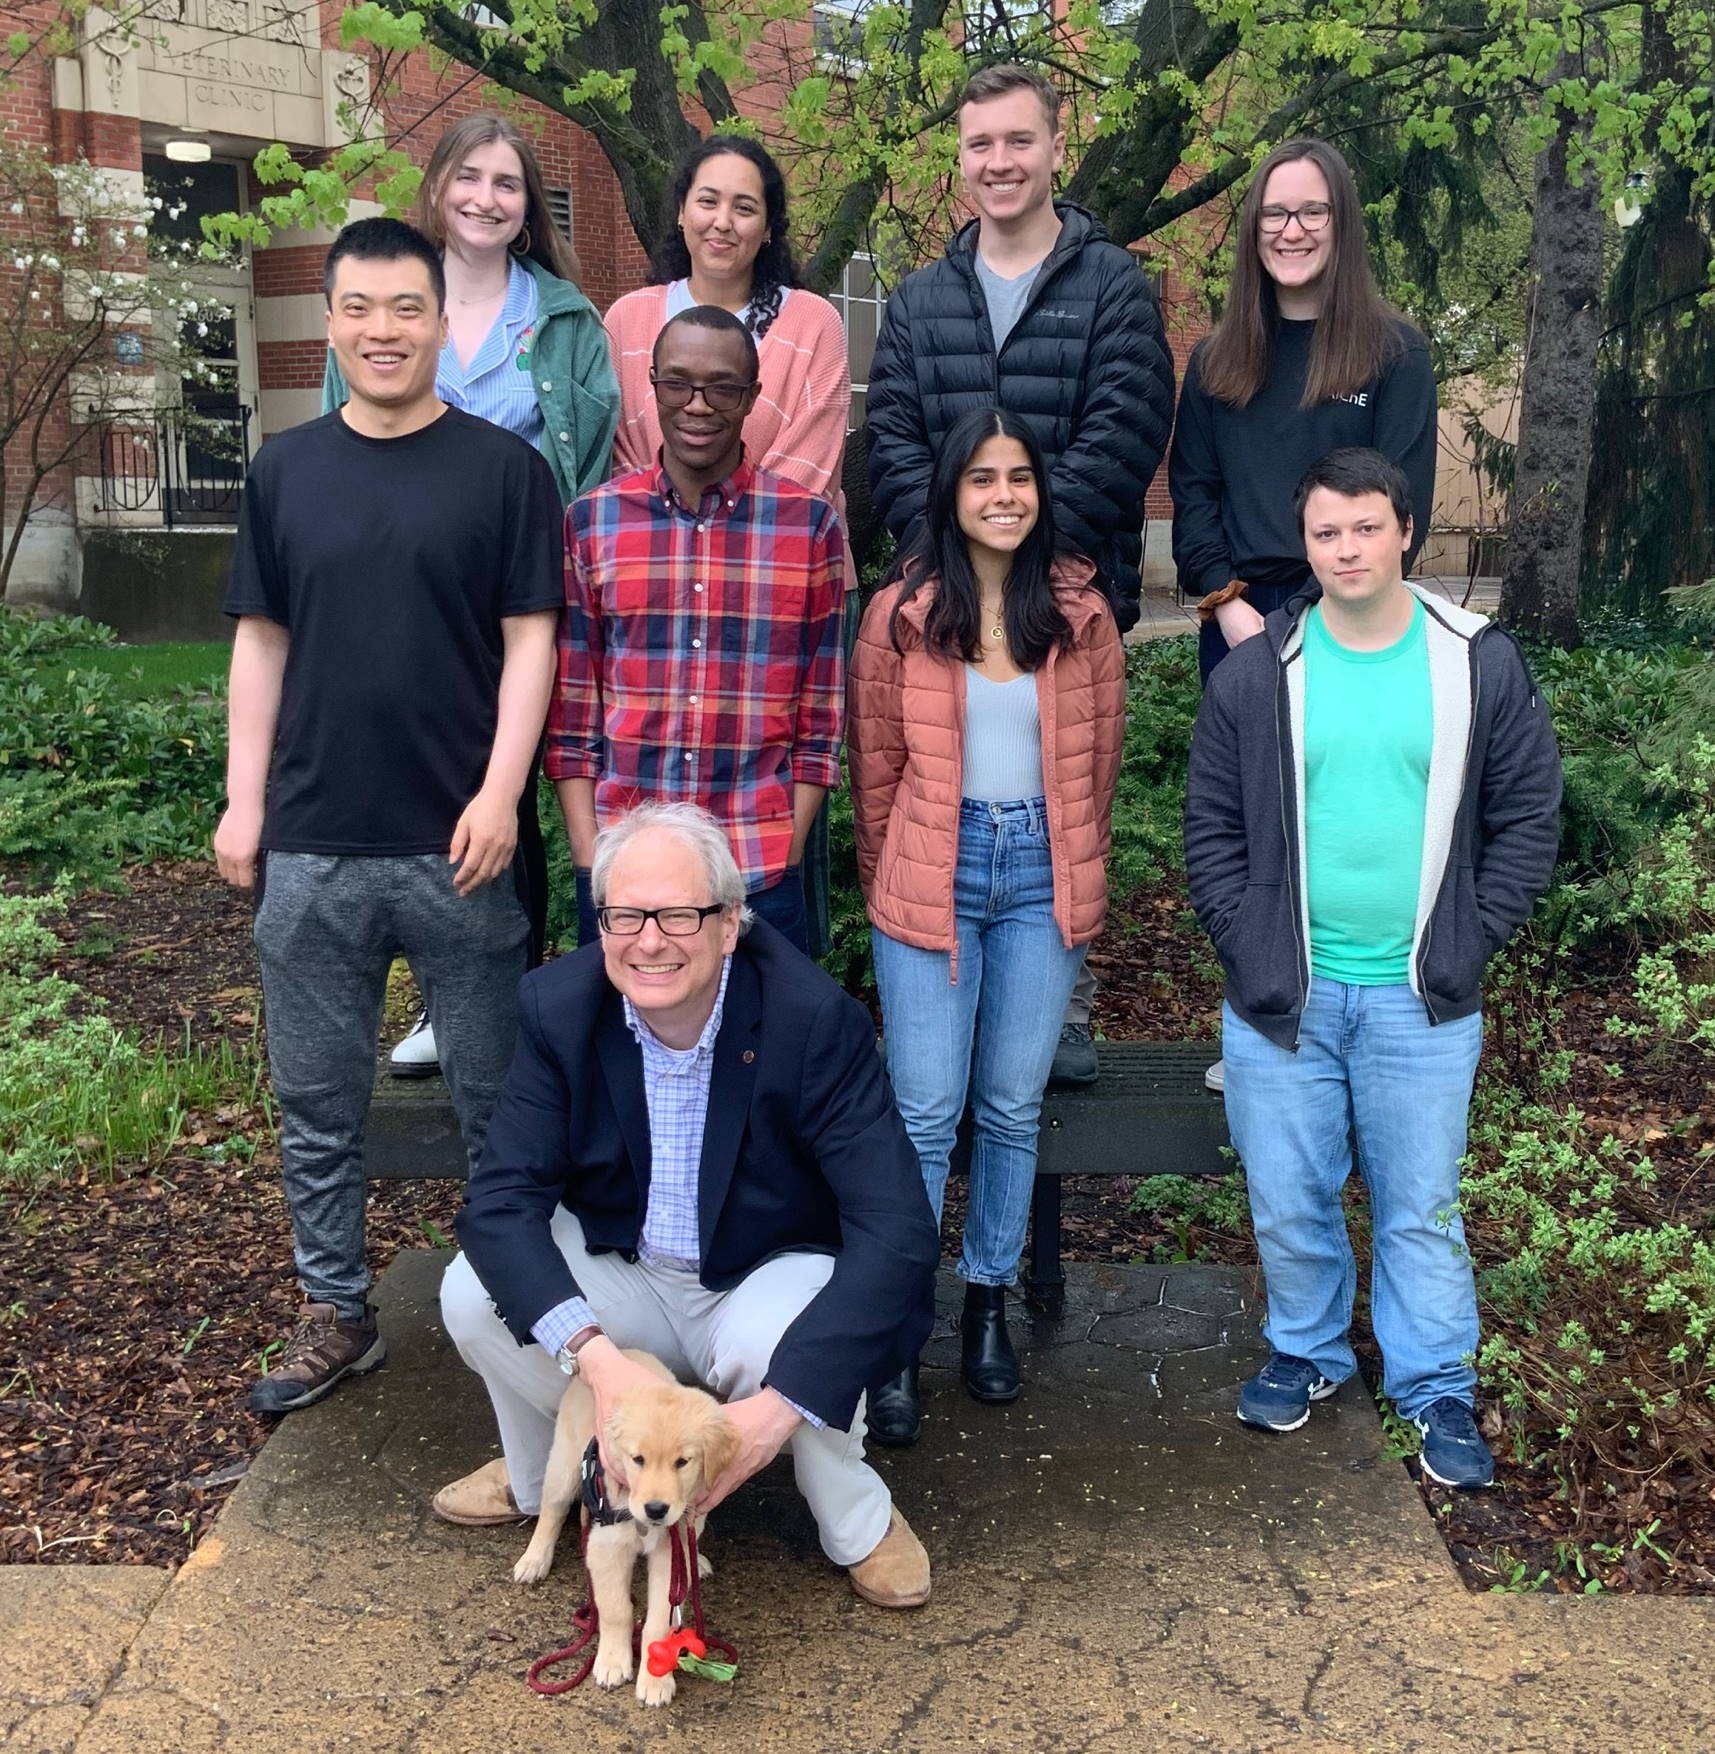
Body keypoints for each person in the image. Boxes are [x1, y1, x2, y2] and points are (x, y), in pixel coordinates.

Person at [214, 217, 563, 1415]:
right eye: (358, 308)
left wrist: (502, 790)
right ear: (330, 322)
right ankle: (336, 1310)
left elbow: (532, 642)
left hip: (461, 846)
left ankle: (513, 1301)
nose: (382, 330)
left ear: (440, 322)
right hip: (311, 845)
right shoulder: (284, 472)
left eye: (406, 308)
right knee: (316, 1100)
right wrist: (244, 801)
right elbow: (260, 643)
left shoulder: (504, 473)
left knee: (495, 1099)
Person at [436, 802, 940, 1609]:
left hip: (755, 1273)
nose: (649, 941)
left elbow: (897, 1230)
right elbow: (499, 1201)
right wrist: (597, 1363)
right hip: (628, 1271)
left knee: (795, 1343)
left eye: (678, 915)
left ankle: (857, 1521)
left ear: (729, 923)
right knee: (471, 1293)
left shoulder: (813, 1020)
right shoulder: (558, 1006)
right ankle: (550, 1476)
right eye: (625, 915)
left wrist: (774, 1413)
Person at [1183, 446, 1561, 1489]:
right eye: (1324, 532)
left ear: (1404, 530)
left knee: (1419, 1205)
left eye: (1364, 527)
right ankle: (1305, 1350)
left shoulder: (1476, 661)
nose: (1345, 548)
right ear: (1303, 545)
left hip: (1418, 1000)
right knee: (1285, 1197)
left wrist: (1468, 938)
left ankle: (1434, 1385)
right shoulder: (1258, 672)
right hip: (1283, 999)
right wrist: (1247, 943)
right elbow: (1210, 828)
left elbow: (1527, 817)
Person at [864, 63, 1174, 1091]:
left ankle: (1058, 1007)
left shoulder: (1113, 287)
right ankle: (941, 1000)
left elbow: (1123, 434)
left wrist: (1029, 573)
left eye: (1017, 140)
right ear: (959, 159)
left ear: (1054, 148)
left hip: (1068, 606)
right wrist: (955, 574)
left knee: (1061, 791)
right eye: (979, 144)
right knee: (940, 792)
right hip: (941, 610)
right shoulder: (920, 299)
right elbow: (892, 443)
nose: (998, 161)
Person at [320, 114, 620, 1078]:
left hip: (518, 593)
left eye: (507, 183)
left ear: (528, 206)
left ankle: (509, 1000)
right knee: (416, 786)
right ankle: (441, 1000)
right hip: (402, 590)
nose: (486, 198)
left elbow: (591, 470)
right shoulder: (389, 305)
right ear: (439, 186)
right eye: (470, 177)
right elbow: (339, 443)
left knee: (509, 796)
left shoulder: (564, 320)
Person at [848, 408, 1125, 1446]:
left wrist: (1075, 868)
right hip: (934, 866)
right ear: (950, 495)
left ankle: (986, 1305)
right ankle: (897, 1333)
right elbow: (873, 770)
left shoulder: (1081, 616)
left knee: (1009, 1106)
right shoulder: (902, 614)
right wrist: (895, 883)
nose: (1002, 495)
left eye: (1017, 477)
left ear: (1038, 491)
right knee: (924, 1112)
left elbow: (1097, 769)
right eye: (981, 478)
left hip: (1041, 875)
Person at [1169, 134, 1438, 1094]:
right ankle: (1260, 1017)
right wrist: (1227, 606)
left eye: (1311, 211)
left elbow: (1402, 501)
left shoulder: (1393, 354)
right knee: (1250, 829)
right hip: (1240, 624)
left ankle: (1360, 1021)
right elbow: (1193, 493)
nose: (1291, 230)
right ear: (1253, 228)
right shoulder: (1217, 360)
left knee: (1343, 821)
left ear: (1340, 224)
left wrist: (1330, 614)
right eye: (1275, 212)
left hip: (1355, 624)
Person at [605, 134, 853, 958]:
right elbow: (626, 460)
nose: (723, 221)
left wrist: (731, 531)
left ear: (767, 224)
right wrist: (675, 532)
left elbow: (812, 461)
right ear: (680, 211)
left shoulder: (811, 321)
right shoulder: (628, 319)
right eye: (707, 200)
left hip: (785, 584)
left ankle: (777, 983)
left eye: (745, 206)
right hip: (649, 584)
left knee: (773, 830)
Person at [546, 305, 847, 954]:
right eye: (678, 384)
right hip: (625, 871)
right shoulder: (593, 524)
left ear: (752, 396)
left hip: (758, 871)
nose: (698, 405)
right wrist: (589, 857)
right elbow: (572, 718)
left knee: (763, 1026)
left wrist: (787, 849)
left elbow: (819, 721)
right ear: (652, 386)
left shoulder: (808, 527)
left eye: (722, 388)